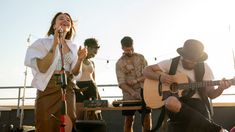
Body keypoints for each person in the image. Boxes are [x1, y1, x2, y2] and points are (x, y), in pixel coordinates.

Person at [143, 39, 232, 132]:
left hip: (198, 104)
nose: (191, 62)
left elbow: (211, 94)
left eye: (194, 60)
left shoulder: (204, 68)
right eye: (189, 59)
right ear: (183, 55)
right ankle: (218, 130)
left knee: (196, 117)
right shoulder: (172, 63)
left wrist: (221, 88)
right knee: (170, 101)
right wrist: (160, 77)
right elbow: (146, 70)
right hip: (176, 103)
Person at [24, 12, 87, 132]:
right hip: (48, 88)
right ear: (54, 25)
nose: (65, 20)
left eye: (68, 19)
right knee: (45, 123)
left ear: (70, 27)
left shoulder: (73, 47)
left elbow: (74, 72)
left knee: (68, 122)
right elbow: (42, 68)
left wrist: (80, 59)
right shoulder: (41, 43)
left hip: (67, 87)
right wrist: (55, 44)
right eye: (61, 18)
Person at [116, 36, 152, 132]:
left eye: (131, 48)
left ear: (133, 45)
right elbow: (122, 83)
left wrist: (136, 80)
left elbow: (148, 74)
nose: (130, 51)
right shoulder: (119, 63)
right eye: (127, 50)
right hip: (128, 95)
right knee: (129, 120)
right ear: (122, 48)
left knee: (146, 118)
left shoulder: (141, 58)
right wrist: (133, 92)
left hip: (144, 91)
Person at [74, 38, 102, 120]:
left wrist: (99, 95)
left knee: (93, 115)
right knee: (79, 115)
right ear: (88, 48)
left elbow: (94, 79)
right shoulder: (77, 59)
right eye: (94, 52)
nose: (94, 55)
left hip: (92, 88)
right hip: (79, 88)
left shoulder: (92, 63)